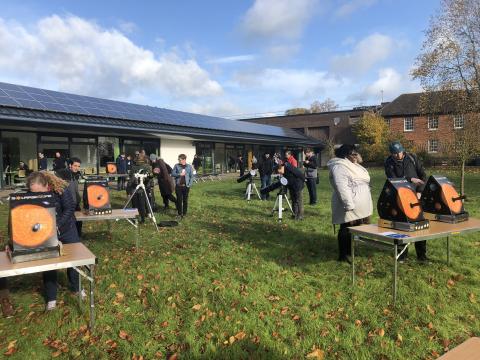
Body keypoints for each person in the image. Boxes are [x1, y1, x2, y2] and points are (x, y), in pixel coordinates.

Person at [26, 171, 83, 310]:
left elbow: (69, 209)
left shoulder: (61, 190)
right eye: (33, 192)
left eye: (39, 192)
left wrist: (56, 225)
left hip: (67, 229)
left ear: (47, 186)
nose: (36, 196)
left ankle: (76, 288)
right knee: (49, 263)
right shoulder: (30, 194)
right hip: (45, 232)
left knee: (74, 259)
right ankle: (51, 298)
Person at [328, 144, 373, 263]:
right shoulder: (339, 166)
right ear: (345, 155)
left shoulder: (354, 165)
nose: (356, 156)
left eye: (356, 153)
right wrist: (348, 204)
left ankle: (350, 250)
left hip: (359, 205)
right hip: (348, 204)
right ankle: (343, 255)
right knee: (345, 228)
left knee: (354, 228)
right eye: (353, 154)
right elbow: (341, 186)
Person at [384, 141, 428, 261]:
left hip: (415, 196)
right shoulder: (388, 162)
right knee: (401, 226)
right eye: (394, 154)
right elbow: (394, 180)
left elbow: (423, 176)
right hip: (399, 198)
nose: (397, 155)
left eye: (399, 152)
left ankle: (422, 256)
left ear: (403, 150)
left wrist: (419, 191)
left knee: (419, 225)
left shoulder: (412, 158)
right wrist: (410, 179)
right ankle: (402, 256)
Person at [56, 157, 83, 237]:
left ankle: (78, 236)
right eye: (75, 166)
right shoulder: (63, 173)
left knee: (79, 221)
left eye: (78, 166)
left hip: (76, 203)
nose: (77, 168)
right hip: (67, 203)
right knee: (69, 222)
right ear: (70, 165)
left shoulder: (77, 174)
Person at [171, 154, 194, 219]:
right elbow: (172, 174)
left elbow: (192, 176)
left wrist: (189, 184)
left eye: (180, 159)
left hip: (186, 186)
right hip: (178, 186)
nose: (178, 160)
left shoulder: (189, 167)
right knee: (179, 200)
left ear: (184, 160)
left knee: (185, 200)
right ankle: (179, 214)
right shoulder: (176, 165)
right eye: (178, 159)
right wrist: (179, 174)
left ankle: (184, 214)